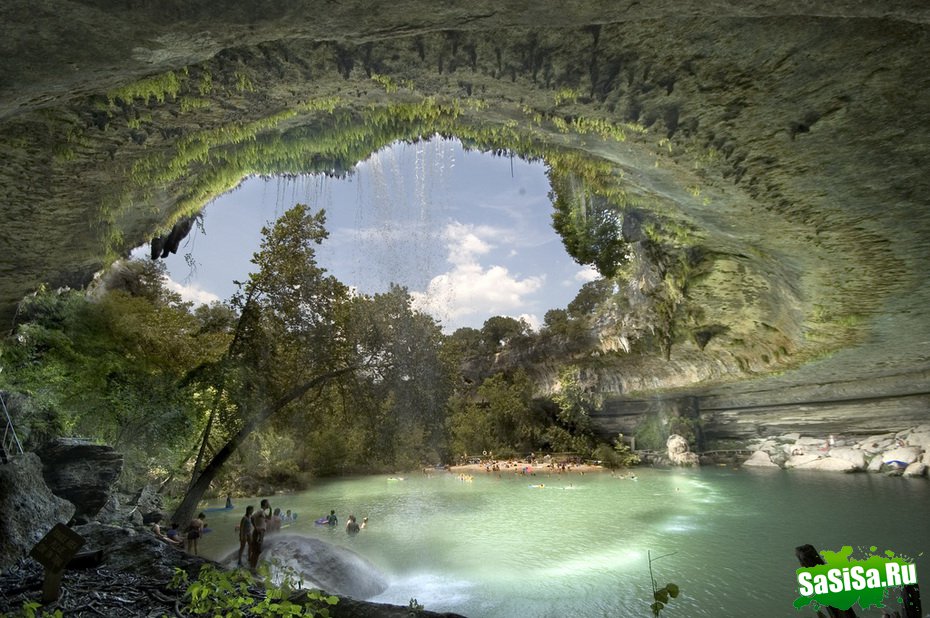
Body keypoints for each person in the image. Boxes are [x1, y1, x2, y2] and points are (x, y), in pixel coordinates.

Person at [249, 499, 271, 570]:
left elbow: (269, 518)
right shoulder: (260, 511)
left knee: (257, 550)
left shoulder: (263, 512)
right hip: (259, 531)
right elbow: (252, 517)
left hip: (261, 532)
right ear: (265, 504)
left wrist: (270, 509)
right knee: (257, 550)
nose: (269, 504)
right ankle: (252, 568)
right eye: (268, 503)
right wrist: (256, 528)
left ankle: (252, 567)